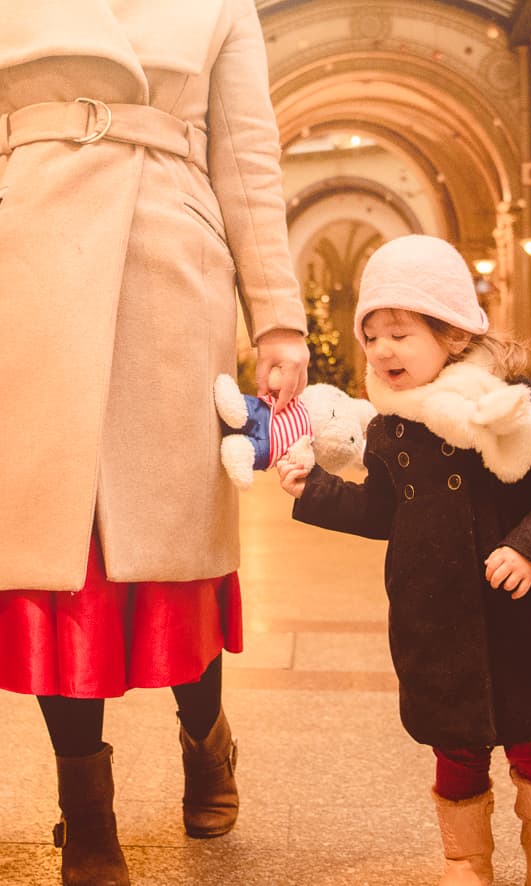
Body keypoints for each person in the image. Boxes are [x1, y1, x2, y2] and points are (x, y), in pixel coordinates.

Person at [0, 3, 309, 884]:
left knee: (175, 541)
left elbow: (247, 156)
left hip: (168, 260)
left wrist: (278, 319)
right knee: (55, 549)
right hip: (26, 261)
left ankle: (205, 739)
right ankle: (85, 815)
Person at [276, 234, 531, 886]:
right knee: (455, 745)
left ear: (454, 335)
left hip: (527, 615)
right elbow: (383, 512)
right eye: (371, 334)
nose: (380, 350)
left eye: (400, 333)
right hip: (437, 617)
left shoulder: (512, 405)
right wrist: (315, 490)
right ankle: (465, 858)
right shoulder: (391, 429)